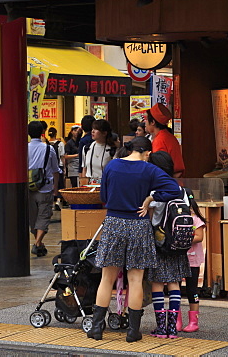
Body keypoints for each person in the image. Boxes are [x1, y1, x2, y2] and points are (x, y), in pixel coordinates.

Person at [86, 136, 182, 343]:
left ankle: (96, 329)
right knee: (136, 279)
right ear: (147, 153)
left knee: (107, 278)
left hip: (113, 222)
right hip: (138, 224)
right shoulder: (149, 170)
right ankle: (132, 331)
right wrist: (150, 198)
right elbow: (175, 190)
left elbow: (103, 196)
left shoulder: (112, 166)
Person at [145, 151, 192, 339]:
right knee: (174, 283)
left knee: (157, 283)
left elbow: (149, 218)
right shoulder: (181, 190)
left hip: (160, 242)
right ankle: (172, 328)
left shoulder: (154, 192)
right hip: (178, 242)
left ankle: (161, 328)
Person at [27, 120, 60, 257]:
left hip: (28, 187)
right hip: (45, 187)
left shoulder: (24, 148)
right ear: (43, 133)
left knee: (33, 218)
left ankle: (39, 243)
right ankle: (37, 243)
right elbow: (55, 170)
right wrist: (56, 188)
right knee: (44, 216)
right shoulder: (48, 148)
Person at [181, 193, 206, 333]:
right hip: (178, 258)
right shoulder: (176, 219)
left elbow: (199, 237)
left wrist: (182, 240)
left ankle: (193, 321)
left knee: (192, 290)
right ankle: (176, 320)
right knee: (175, 290)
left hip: (193, 260)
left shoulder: (196, 220)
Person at [147, 104, 185, 177]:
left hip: (168, 179)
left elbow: (159, 167)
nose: (145, 123)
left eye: (146, 119)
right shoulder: (169, 136)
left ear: (152, 122)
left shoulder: (160, 140)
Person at [82, 119, 117, 184]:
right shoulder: (87, 148)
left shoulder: (113, 149)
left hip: (106, 184)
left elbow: (115, 171)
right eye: (92, 128)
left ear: (104, 133)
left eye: (96, 129)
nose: (92, 131)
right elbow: (84, 169)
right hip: (89, 186)